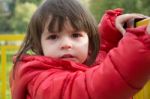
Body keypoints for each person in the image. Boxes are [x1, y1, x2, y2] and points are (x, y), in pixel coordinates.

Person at [9, 0, 150, 99]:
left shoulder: (83, 61)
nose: (66, 44)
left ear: (89, 38)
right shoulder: (42, 81)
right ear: (39, 45)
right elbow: (91, 89)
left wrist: (111, 34)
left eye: (76, 35)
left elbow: (97, 60)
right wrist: (141, 44)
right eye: (53, 37)